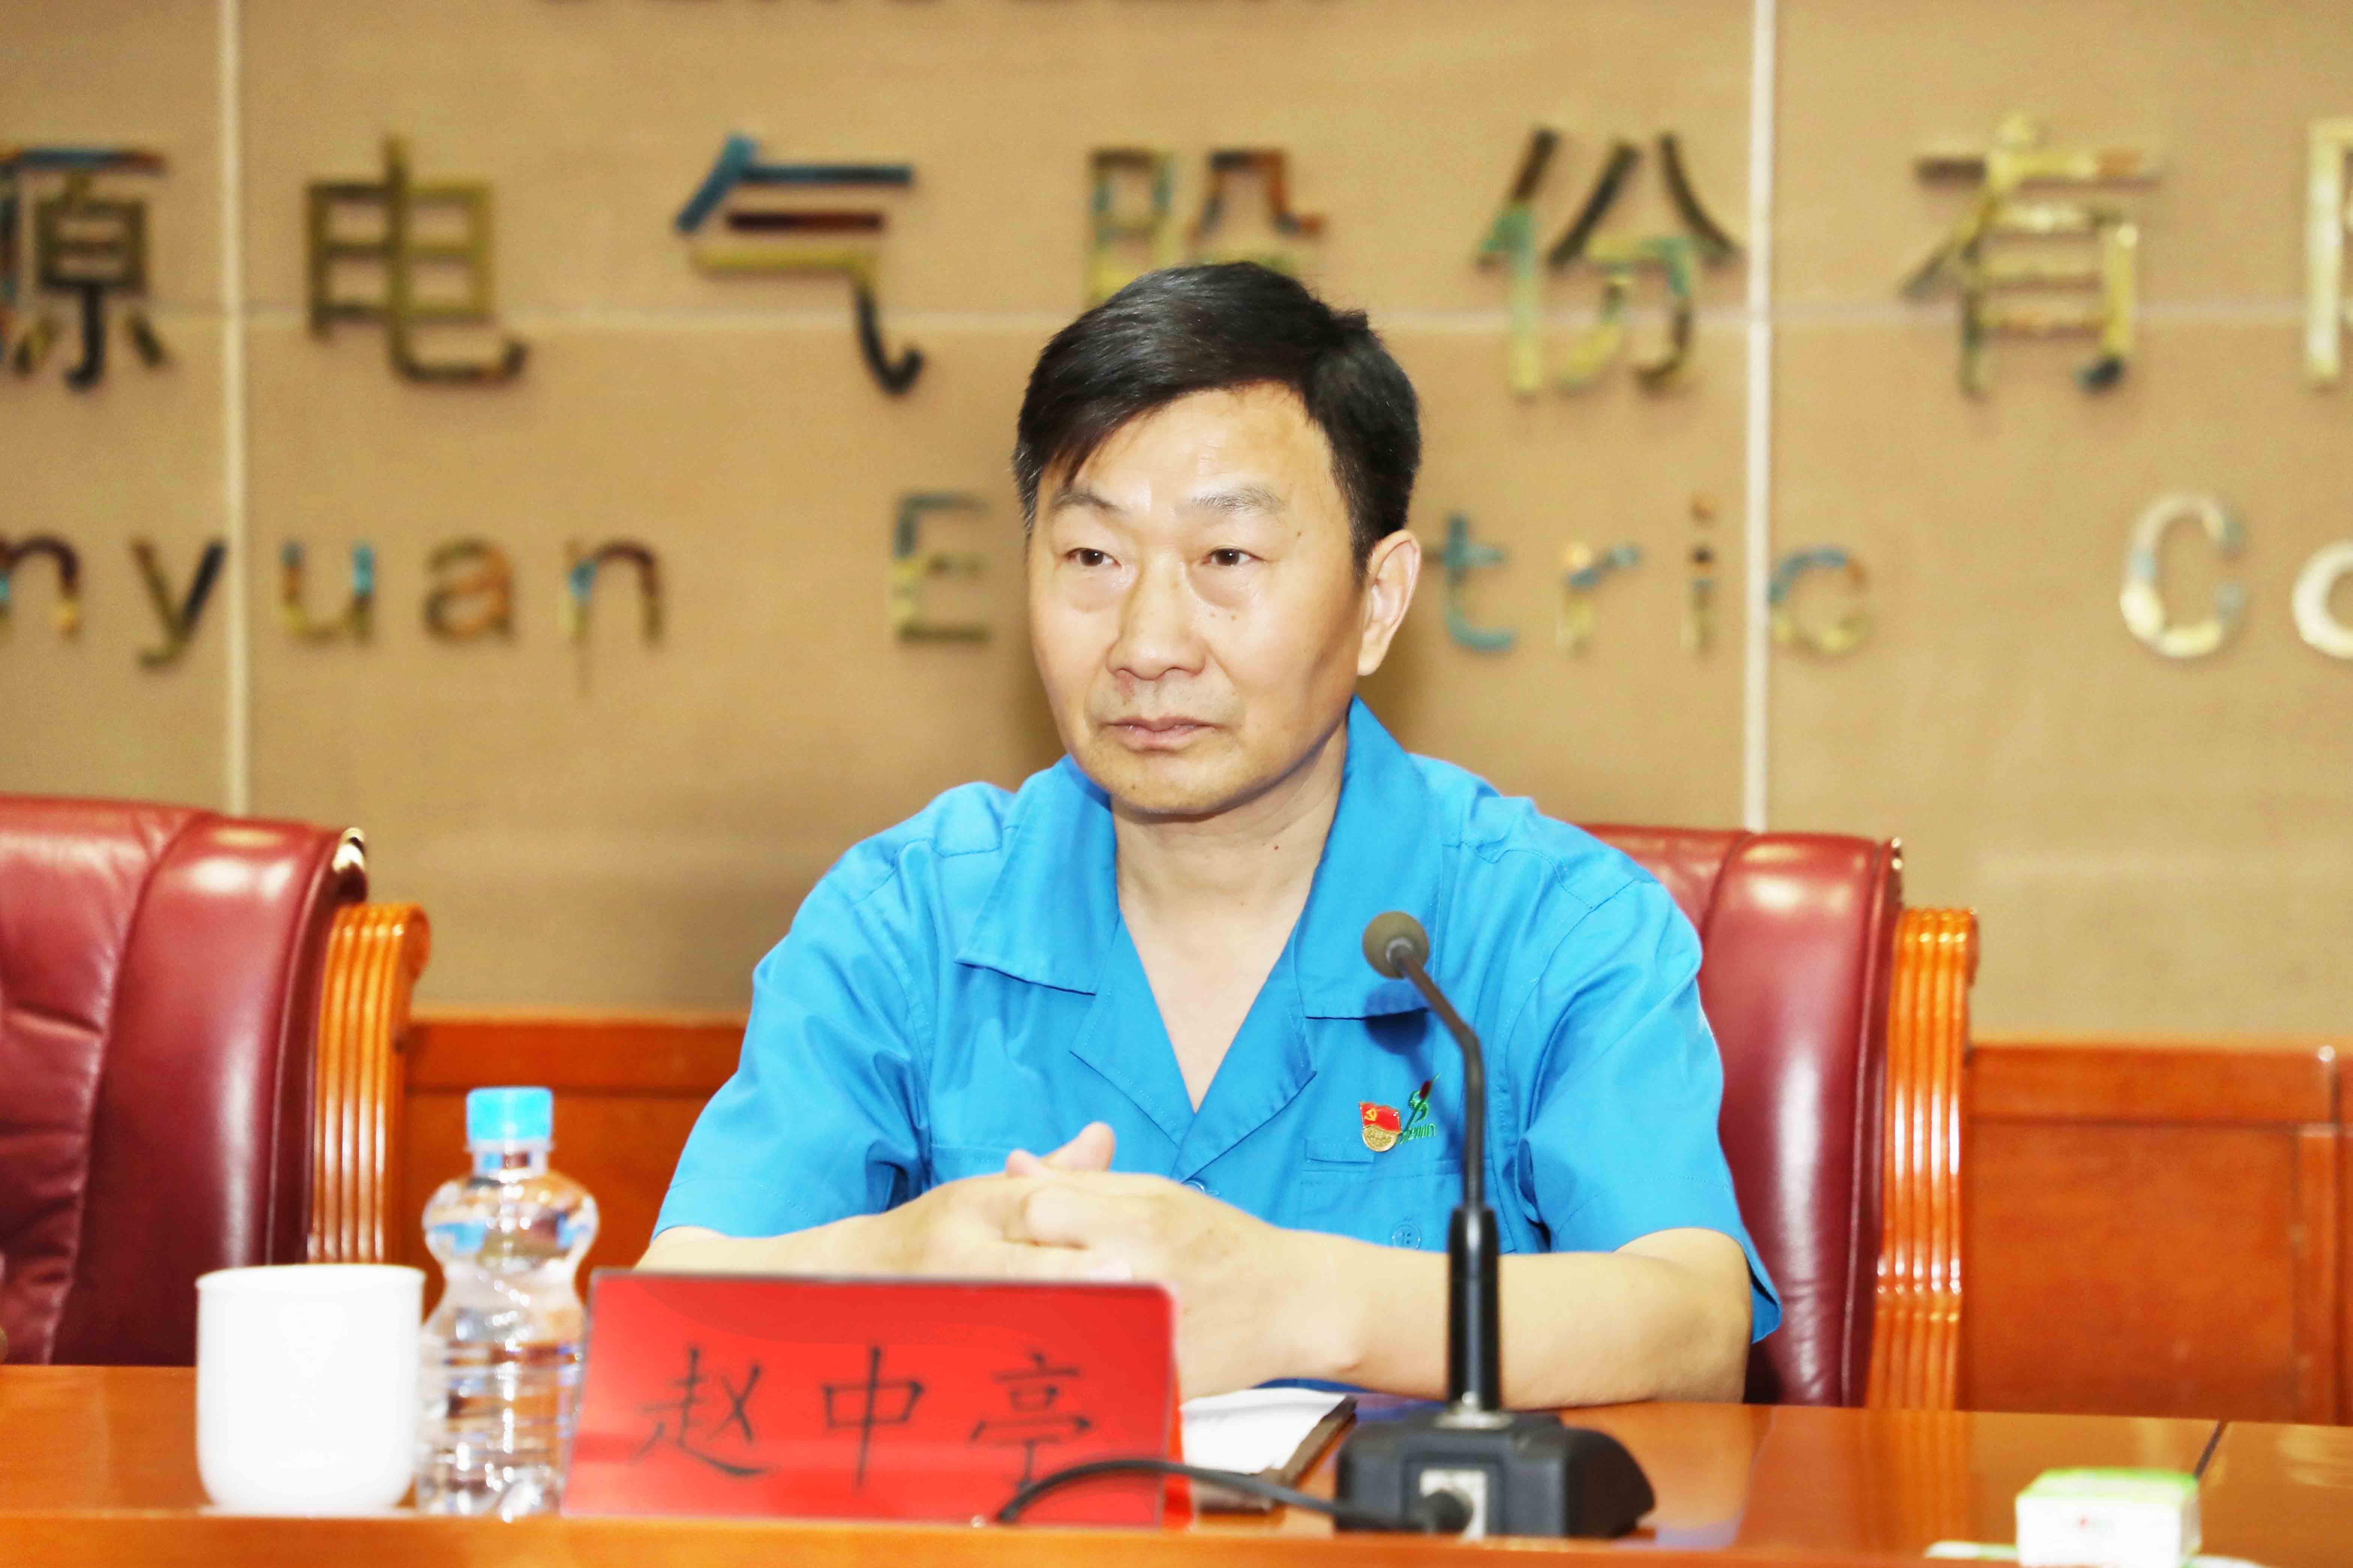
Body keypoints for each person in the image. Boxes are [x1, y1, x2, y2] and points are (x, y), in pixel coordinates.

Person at [643, 262, 1777, 1405]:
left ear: (1378, 599)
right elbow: (670, 1319)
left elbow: (1693, 1324)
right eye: (1092, 559)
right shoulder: (909, 920)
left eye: (1228, 560)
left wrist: (1296, 1302)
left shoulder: (1549, 922)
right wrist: (904, 1259)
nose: (1148, 644)